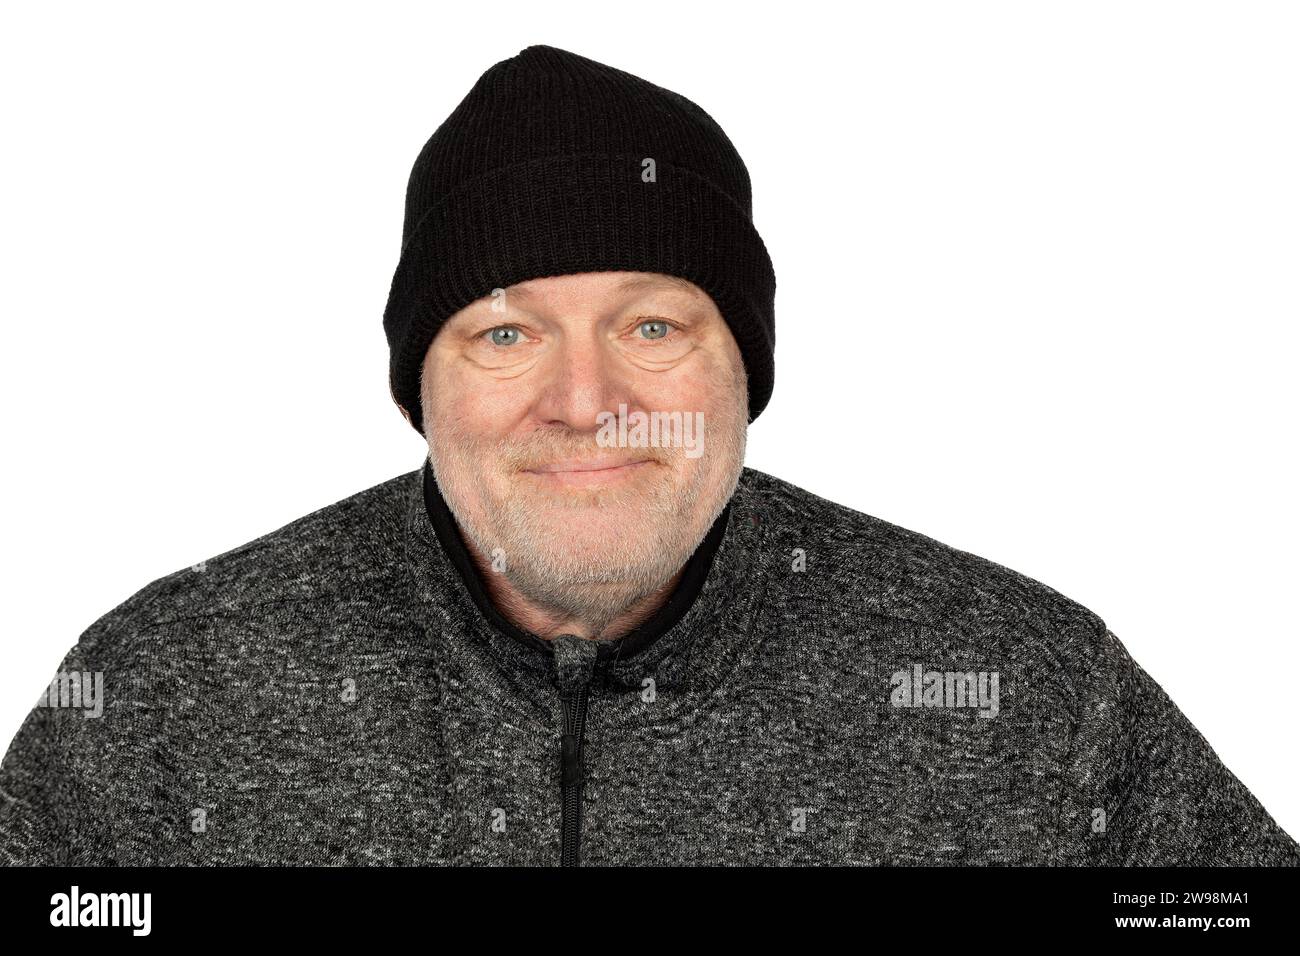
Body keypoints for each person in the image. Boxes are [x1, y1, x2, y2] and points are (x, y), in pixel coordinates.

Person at [1, 44, 1294, 867]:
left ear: (745, 366)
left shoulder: (1021, 689)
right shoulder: (168, 692)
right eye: (504, 330)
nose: (586, 400)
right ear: (419, 388)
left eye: (653, 324)